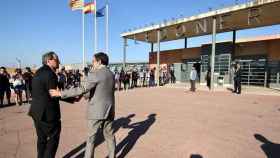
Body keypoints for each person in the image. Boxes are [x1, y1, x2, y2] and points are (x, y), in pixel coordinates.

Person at [49, 52, 116, 158]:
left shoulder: (96, 73)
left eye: (93, 61)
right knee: (109, 136)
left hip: (96, 111)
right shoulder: (111, 74)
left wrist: (61, 93)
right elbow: (100, 90)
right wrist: (85, 95)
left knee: (91, 139)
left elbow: (83, 89)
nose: (92, 63)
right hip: (110, 109)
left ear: (99, 61)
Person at [28, 52, 61, 158]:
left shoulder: (38, 72)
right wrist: (73, 97)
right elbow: (54, 94)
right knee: (53, 140)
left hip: (36, 112)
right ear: (48, 61)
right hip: (48, 114)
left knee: (41, 139)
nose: (59, 61)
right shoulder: (50, 74)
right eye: (56, 59)